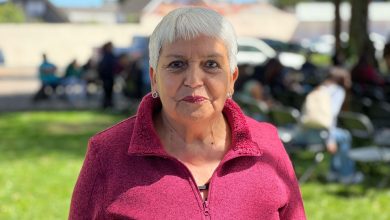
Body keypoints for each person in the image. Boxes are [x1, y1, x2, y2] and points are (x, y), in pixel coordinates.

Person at [69, 7, 306, 219]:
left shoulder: (267, 143)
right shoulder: (107, 153)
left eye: (211, 64)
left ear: (232, 79)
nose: (193, 81)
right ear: (154, 79)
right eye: (177, 64)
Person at [319, 67, 364, 184]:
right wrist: (330, 139)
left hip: (308, 131)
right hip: (322, 132)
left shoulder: (320, 88)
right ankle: (346, 174)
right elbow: (330, 116)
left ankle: (333, 172)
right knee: (345, 136)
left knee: (340, 135)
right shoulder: (338, 91)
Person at [98, 41, 117, 109]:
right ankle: (106, 105)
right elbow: (104, 67)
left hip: (110, 76)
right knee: (107, 91)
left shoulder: (108, 55)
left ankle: (108, 104)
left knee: (109, 92)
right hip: (107, 76)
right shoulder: (106, 56)